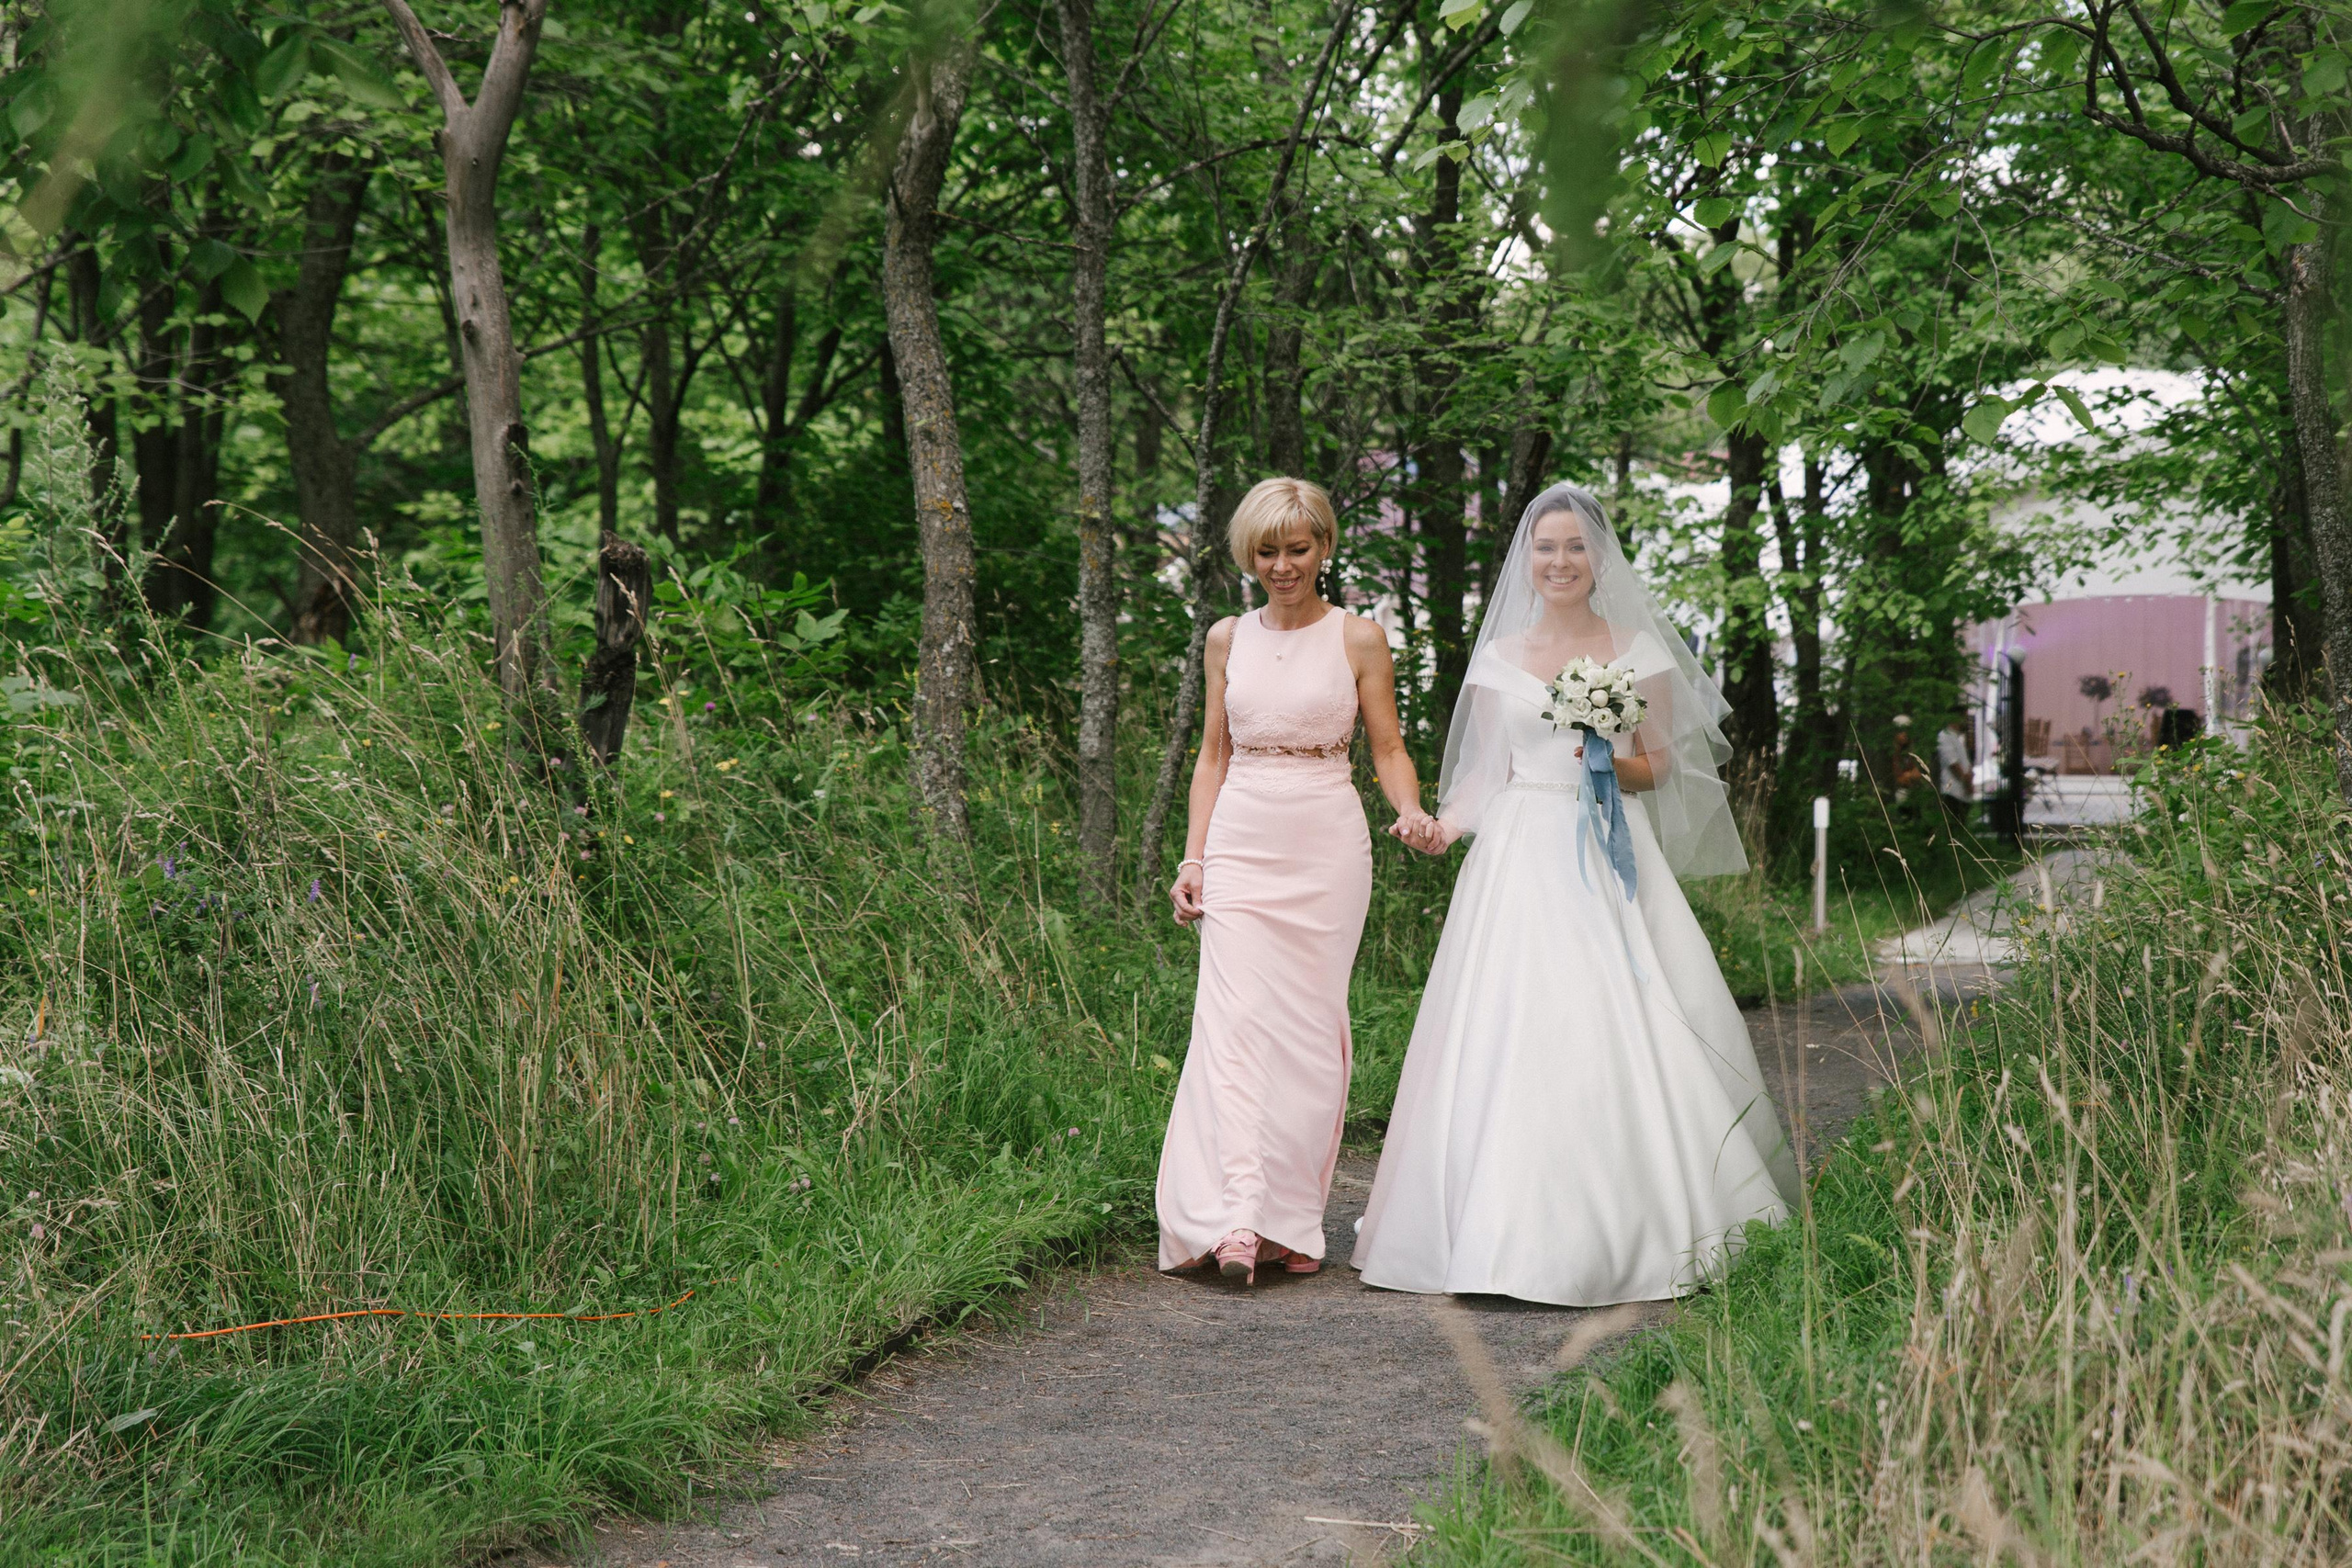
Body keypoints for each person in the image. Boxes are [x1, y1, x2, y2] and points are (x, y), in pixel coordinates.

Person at [1351, 482, 1797, 1307]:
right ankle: (1490, 1232)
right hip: (1520, 853)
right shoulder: (1498, 658)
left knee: (1616, 1020)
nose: (1560, 561)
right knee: (1511, 1025)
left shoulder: (1640, 650)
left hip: (1605, 844)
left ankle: (1634, 1224)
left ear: (1599, 560)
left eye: (1575, 548)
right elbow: (1487, 774)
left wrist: (1601, 750)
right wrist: (1443, 828)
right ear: (1528, 559)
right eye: (1545, 548)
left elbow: (1660, 763)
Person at [1158, 478, 1436, 1286]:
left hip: (1326, 841)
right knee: (1235, 1027)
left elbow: (1386, 748)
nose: (1283, 566)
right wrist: (1193, 858)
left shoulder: (1359, 638)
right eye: (1267, 551)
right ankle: (1238, 1215)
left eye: (1298, 549)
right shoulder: (1224, 638)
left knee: (1309, 1036)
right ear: (1250, 555)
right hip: (1242, 837)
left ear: (1324, 548)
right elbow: (1211, 757)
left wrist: (1411, 811)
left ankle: (1290, 1221)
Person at [1936, 715, 1974, 823]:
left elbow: (1965, 762)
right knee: (1954, 825)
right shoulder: (1945, 736)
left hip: (1962, 792)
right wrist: (1966, 782)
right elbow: (1952, 763)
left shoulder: (1957, 737)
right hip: (1953, 791)